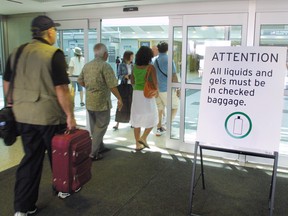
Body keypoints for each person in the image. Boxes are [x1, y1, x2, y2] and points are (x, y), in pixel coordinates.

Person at [3, 15, 76, 216]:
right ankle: (62, 190)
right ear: (50, 32)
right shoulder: (54, 54)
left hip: (23, 116)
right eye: (54, 31)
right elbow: (60, 88)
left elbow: (7, 81)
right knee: (58, 156)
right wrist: (70, 115)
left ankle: (22, 208)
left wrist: (11, 103)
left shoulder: (16, 52)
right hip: (49, 117)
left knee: (30, 159)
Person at [78, 43, 123, 161]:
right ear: (105, 54)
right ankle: (93, 153)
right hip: (101, 102)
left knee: (94, 126)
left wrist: (89, 88)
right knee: (102, 125)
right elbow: (112, 85)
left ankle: (100, 147)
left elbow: (79, 80)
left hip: (90, 101)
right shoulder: (105, 66)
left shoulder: (87, 65)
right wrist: (119, 98)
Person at [130, 46, 158, 151]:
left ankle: (137, 144)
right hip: (147, 94)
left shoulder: (134, 67)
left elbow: (132, 82)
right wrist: (156, 92)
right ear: (149, 57)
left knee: (136, 118)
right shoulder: (151, 68)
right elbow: (155, 83)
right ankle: (143, 137)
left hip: (136, 94)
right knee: (154, 117)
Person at [153, 41, 179, 136]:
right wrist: (178, 89)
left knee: (160, 108)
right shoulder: (169, 60)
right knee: (174, 107)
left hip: (156, 89)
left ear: (158, 49)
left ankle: (158, 128)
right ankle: (166, 125)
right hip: (166, 89)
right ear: (167, 49)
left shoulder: (154, 60)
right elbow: (174, 75)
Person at [113, 51, 134, 130]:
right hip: (124, 86)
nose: (133, 58)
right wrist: (124, 76)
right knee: (121, 103)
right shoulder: (121, 65)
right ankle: (117, 123)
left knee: (131, 104)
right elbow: (118, 75)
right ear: (128, 56)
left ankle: (132, 121)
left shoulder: (133, 65)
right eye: (132, 56)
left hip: (132, 86)